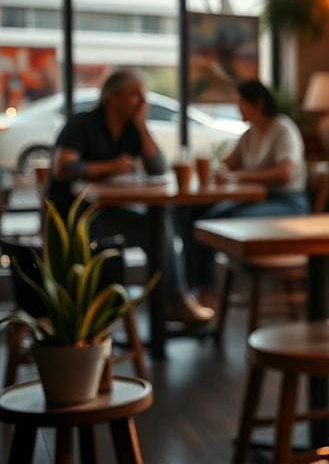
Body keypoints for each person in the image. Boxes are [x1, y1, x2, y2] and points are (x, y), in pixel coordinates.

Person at [48, 69, 214, 327]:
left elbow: (158, 167)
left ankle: (171, 301)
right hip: (75, 217)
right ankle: (173, 301)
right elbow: (63, 168)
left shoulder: (130, 129)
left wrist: (142, 126)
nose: (143, 101)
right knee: (156, 227)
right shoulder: (82, 124)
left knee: (160, 224)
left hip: (109, 211)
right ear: (112, 98)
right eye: (136, 94)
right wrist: (110, 166)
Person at [176, 80, 308, 289]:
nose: (238, 108)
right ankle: (195, 287)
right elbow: (228, 163)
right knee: (194, 216)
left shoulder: (283, 129)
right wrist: (220, 170)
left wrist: (238, 177)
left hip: (287, 203)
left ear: (258, 104)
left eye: (241, 103)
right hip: (256, 200)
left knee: (219, 221)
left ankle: (205, 287)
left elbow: (285, 174)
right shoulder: (250, 134)